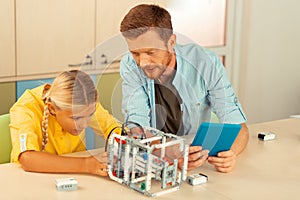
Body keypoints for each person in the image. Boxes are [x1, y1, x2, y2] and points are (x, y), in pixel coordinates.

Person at [119, 4, 249, 173]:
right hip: (154, 162)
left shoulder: (205, 62)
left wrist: (231, 153)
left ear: (171, 42)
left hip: (195, 160)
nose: (142, 62)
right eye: (135, 53)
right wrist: (168, 158)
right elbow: (137, 129)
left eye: (150, 52)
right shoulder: (130, 66)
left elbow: (238, 126)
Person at [10, 70, 121, 176]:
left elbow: (111, 127)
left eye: (90, 115)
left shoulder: (85, 101)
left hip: (77, 177)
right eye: (76, 118)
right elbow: (27, 158)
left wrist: (125, 140)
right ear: (52, 108)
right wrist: (86, 165)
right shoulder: (25, 108)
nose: (84, 125)